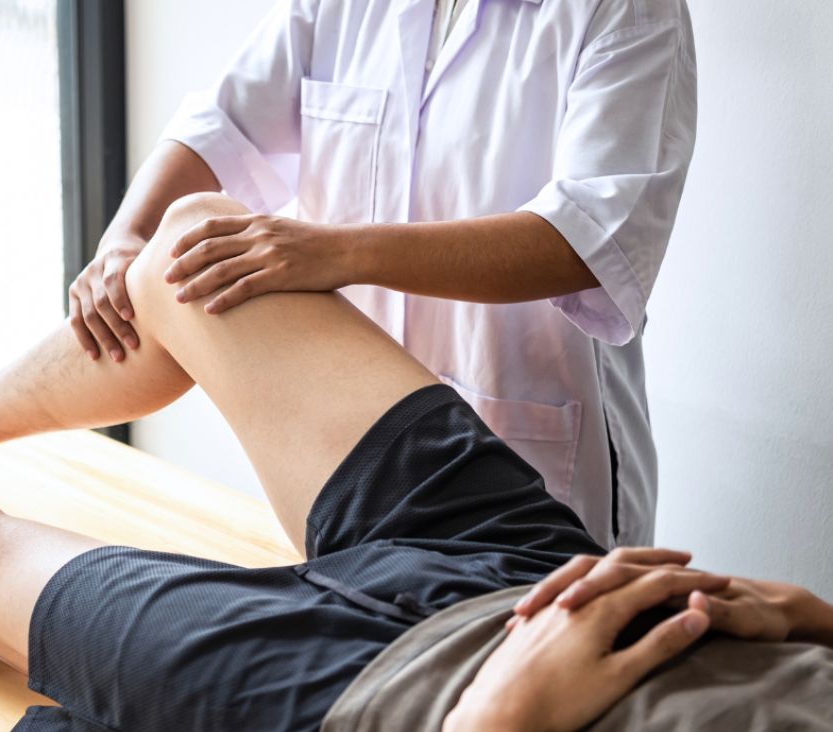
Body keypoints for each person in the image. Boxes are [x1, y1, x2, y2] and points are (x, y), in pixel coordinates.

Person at [0, 195, 830, 731]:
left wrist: (497, 719)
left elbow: (592, 232)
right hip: (551, 580)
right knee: (193, 252)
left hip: (403, 703)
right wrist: (808, 614)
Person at [65, 0, 699, 549]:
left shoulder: (626, 10)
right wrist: (128, 234)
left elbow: (585, 241)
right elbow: (223, 124)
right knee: (190, 242)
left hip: (528, 462)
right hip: (346, 455)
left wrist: (334, 252)